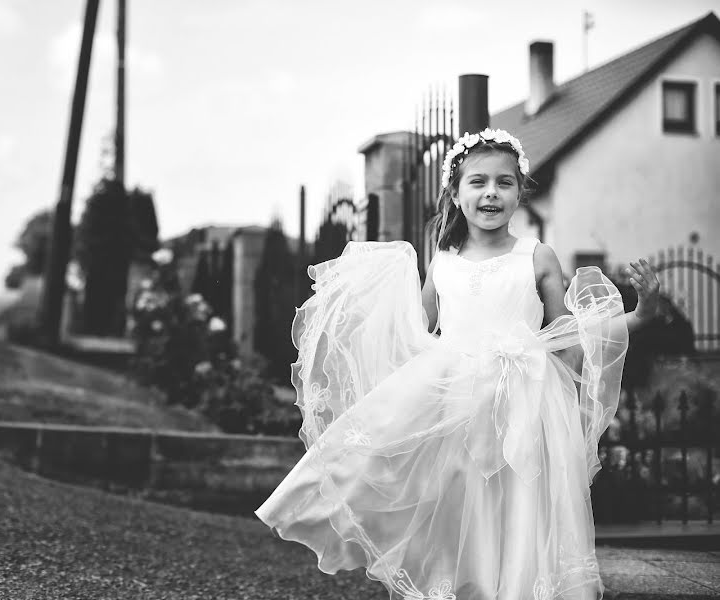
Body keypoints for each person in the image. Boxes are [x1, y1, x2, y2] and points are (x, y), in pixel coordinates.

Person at [254, 128, 661, 600]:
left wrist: (640, 315)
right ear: (455, 192)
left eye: (504, 182)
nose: (491, 192)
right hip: (457, 401)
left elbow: (568, 332)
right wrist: (373, 324)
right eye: (479, 182)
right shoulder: (443, 262)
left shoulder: (537, 256)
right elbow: (414, 331)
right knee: (463, 503)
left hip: (527, 400)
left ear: (520, 192)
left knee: (519, 505)